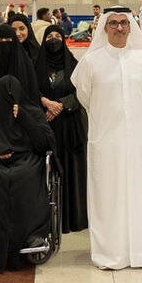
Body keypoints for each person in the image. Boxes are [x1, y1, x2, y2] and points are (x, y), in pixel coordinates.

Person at [70, 6, 142, 270]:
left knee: (138, 194)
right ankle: (110, 254)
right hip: (106, 140)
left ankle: (140, 252)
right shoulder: (91, 61)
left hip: (138, 142)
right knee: (107, 196)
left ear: (131, 27)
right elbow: (84, 96)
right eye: (114, 23)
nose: (119, 28)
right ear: (104, 28)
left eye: (124, 23)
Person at [0, 75, 55, 271]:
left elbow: (45, 143)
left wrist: (23, 117)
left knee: (25, 178)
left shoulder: (31, 110)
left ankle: (32, 234)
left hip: (26, 159)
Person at [34, 24, 88, 233]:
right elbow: (29, 90)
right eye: (50, 36)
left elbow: (81, 91)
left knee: (71, 170)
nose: (53, 39)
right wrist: (45, 102)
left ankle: (72, 219)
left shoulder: (74, 64)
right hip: (44, 125)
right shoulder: (34, 65)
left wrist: (61, 105)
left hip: (69, 126)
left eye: (57, 35)